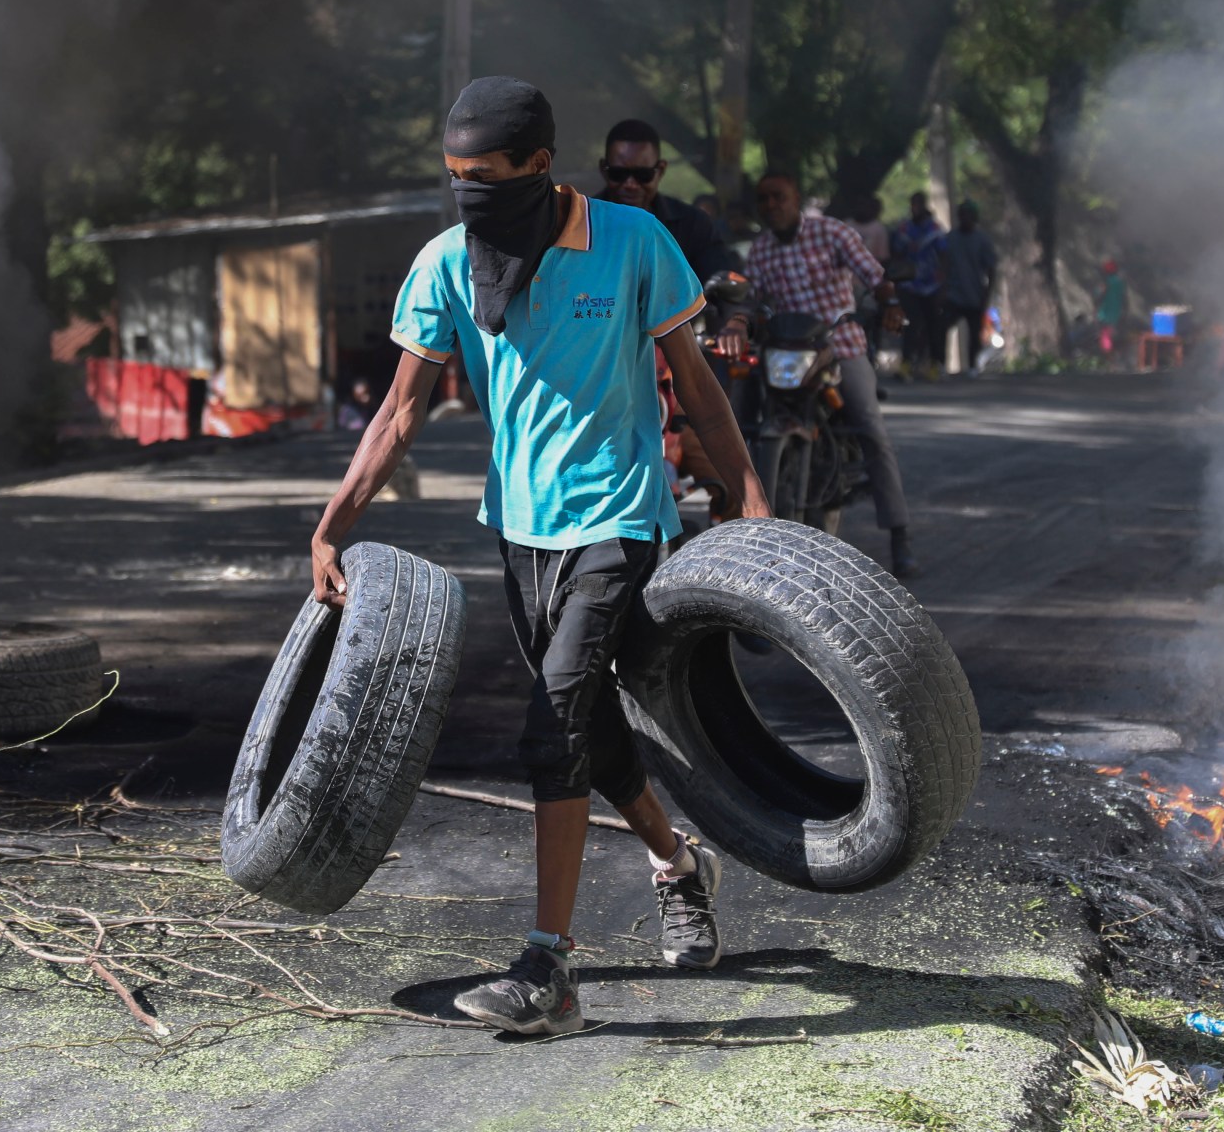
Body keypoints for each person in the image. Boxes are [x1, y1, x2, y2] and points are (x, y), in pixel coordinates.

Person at [312, 77, 770, 1038]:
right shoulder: (446, 264)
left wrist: (751, 499)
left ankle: (548, 971)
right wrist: (334, 521)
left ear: (537, 165)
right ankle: (680, 868)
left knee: (552, 717)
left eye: (485, 177)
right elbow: (401, 411)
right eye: (454, 179)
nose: (469, 193)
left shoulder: (634, 243)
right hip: (520, 531)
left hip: (620, 519)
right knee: (588, 733)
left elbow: (696, 386)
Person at [718, 171, 917, 578]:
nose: (772, 206)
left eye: (779, 197)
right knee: (739, 419)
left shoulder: (832, 234)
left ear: (797, 198)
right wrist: (737, 321)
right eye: (764, 200)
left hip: (838, 347)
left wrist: (891, 302)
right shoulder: (760, 251)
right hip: (785, 354)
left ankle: (900, 536)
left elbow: (873, 275)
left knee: (871, 429)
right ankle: (736, 522)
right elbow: (751, 297)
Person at [597, 118, 733, 283]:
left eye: (643, 175)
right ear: (604, 169)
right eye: (619, 174)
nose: (630, 184)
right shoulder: (578, 222)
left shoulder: (693, 225)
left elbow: (719, 286)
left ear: (660, 170)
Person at [889, 194, 950, 380]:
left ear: (924, 206)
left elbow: (944, 257)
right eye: (913, 204)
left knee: (934, 326)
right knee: (910, 324)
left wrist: (943, 285)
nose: (915, 208)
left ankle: (935, 364)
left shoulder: (935, 229)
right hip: (910, 285)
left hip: (931, 285)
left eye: (918, 204)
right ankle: (907, 363)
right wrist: (896, 282)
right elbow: (896, 255)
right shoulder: (904, 229)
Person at [944, 199, 999, 376]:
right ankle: (939, 362)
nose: (965, 218)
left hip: (974, 293)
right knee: (942, 327)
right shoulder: (950, 238)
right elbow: (942, 264)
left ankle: (973, 365)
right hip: (953, 293)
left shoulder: (982, 240)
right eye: (962, 215)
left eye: (969, 215)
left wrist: (987, 293)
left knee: (974, 331)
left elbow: (991, 269)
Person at [1094, 258, 1129, 362]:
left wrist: (1096, 305)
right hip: (1117, 314)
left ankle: (1109, 359)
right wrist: (1125, 311)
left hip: (1105, 313)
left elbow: (1098, 295)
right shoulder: (1120, 282)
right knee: (1113, 335)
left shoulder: (1105, 282)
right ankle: (1114, 357)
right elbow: (1124, 298)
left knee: (1105, 335)